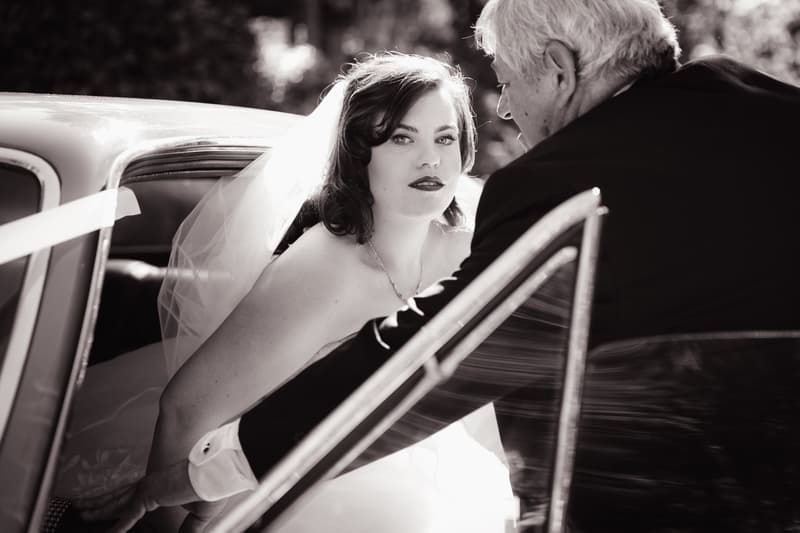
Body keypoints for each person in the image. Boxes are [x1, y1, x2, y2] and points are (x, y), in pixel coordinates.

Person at [86, 0, 800, 531]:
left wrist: (191, 478)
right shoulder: (773, 113)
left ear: (558, 68)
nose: (509, 112)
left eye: (508, 82)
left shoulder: (559, 185)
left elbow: (426, 363)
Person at [56, 52, 517, 532]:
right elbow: (185, 410)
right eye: (401, 137)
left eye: (445, 138)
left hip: (439, 476)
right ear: (359, 155)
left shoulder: (467, 249)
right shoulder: (324, 269)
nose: (431, 159)